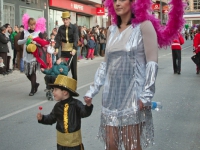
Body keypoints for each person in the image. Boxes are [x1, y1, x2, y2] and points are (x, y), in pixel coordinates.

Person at [84, 0, 185, 149]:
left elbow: (152, 62)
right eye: (115, 0)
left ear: (135, 3)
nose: (117, 3)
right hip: (111, 97)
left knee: (131, 145)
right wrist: (92, 90)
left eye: (122, 0)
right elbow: (105, 64)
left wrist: (146, 95)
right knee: (111, 144)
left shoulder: (144, 26)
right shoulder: (111, 30)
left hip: (133, 96)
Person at [37, 75, 93, 150]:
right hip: (61, 144)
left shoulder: (76, 104)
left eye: (55, 89)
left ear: (65, 92)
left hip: (74, 144)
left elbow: (84, 113)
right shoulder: (57, 106)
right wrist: (42, 118)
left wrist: (88, 105)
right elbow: (51, 118)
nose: (53, 92)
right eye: (53, 89)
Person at [18, 14, 46, 96]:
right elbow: (18, 42)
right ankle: (35, 84)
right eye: (31, 24)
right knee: (27, 73)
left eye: (34, 24)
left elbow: (43, 44)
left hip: (34, 56)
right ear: (28, 24)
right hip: (26, 55)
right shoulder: (24, 32)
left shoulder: (38, 33)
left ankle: (32, 90)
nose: (33, 26)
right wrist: (25, 39)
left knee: (33, 72)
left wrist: (36, 42)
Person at [55, 11, 78, 80]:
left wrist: (74, 49)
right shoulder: (61, 28)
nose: (65, 21)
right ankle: (63, 87)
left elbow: (76, 38)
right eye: (64, 19)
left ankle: (74, 86)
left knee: (74, 71)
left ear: (69, 19)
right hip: (64, 51)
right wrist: (56, 48)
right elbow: (58, 39)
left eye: (66, 19)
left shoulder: (74, 28)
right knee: (63, 69)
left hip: (72, 51)